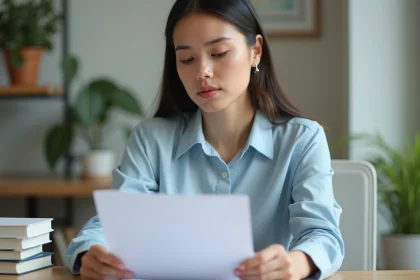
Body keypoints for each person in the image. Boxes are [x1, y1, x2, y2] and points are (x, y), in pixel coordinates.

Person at [64, 0, 345, 279]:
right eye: (186, 59)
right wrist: (91, 253)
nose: (202, 72)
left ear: (255, 51)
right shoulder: (152, 139)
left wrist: (294, 264)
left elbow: (322, 234)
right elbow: (114, 224)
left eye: (219, 53)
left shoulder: (302, 139)